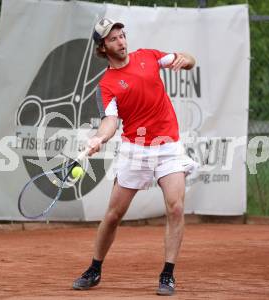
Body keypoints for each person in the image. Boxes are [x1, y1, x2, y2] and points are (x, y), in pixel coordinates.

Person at [72, 17, 197, 296]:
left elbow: (189, 59)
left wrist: (185, 60)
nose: (121, 41)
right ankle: (94, 268)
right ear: (103, 47)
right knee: (114, 214)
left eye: (122, 35)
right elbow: (110, 122)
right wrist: (99, 138)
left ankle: (167, 274)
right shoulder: (106, 85)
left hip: (168, 146)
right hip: (135, 150)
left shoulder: (149, 57)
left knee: (175, 207)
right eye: (114, 38)